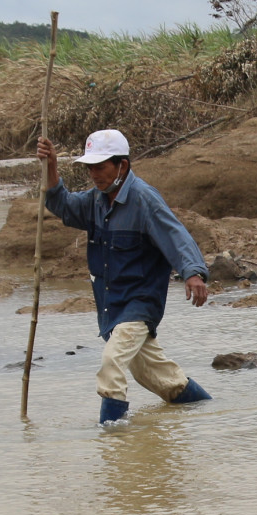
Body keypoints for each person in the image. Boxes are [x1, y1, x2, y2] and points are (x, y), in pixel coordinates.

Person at [37, 128, 214, 425]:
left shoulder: (144, 199)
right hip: (112, 305)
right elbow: (62, 205)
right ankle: (211, 413)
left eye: (101, 167)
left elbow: (176, 235)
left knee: (112, 363)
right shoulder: (95, 201)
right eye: (90, 167)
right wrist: (51, 165)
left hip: (139, 303)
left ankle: (113, 438)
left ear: (123, 165)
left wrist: (193, 273)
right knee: (160, 377)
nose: (94, 174)